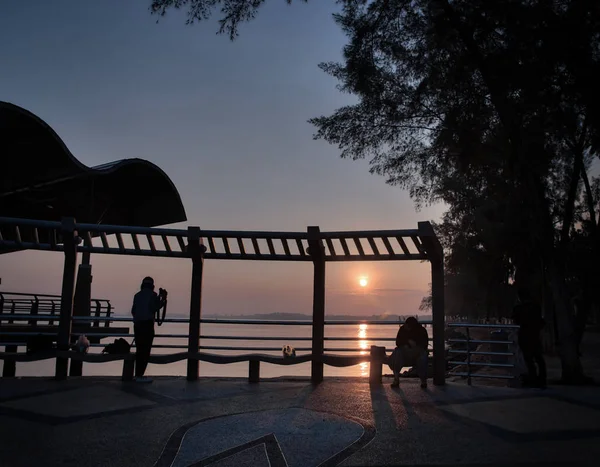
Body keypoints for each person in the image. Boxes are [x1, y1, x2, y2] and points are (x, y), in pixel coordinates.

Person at [131, 276, 166, 383]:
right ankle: (140, 375)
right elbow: (154, 308)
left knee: (139, 349)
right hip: (147, 325)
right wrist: (163, 299)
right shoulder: (153, 295)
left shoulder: (137, 296)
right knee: (145, 351)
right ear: (152, 286)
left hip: (137, 325)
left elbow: (133, 311)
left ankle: (137, 374)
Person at [512, 288, 547, 388]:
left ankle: (533, 379)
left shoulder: (518, 308)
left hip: (524, 335)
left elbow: (516, 320)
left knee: (529, 359)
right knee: (539, 358)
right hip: (535, 335)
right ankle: (542, 379)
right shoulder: (536, 306)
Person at [390, 316, 429, 389]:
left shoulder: (421, 330)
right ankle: (396, 378)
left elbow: (425, 344)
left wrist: (416, 346)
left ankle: (423, 381)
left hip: (417, 354)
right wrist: (407, 343)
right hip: (404, 354)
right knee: (397, 353)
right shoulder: (402, 329)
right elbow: (398, 342)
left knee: (423, 356)